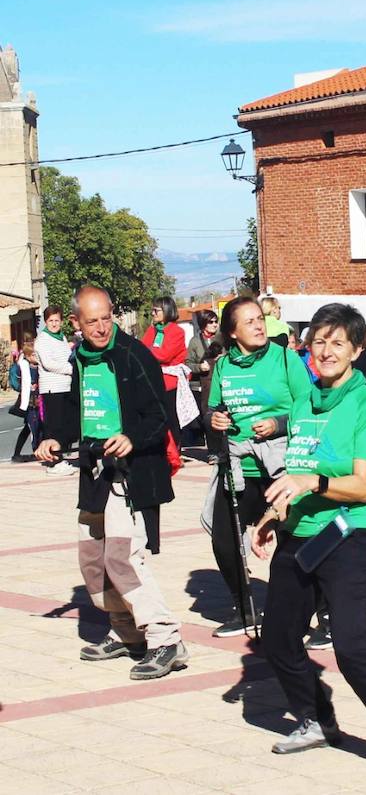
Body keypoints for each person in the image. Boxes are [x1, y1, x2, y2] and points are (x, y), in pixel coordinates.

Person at [250, 303, 366, 787]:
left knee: (351, 646)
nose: (326, 351)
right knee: (278, 638)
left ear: (355, 350)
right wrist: (271, 517)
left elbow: (363, 485)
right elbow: (296, 473)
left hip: (350, 532)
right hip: (302, 531)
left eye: (337, 343)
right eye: (319, 342)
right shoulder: (305, 402)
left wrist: (311, 484)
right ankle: (316, 719)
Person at [35, 286, 185, 680]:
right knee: (92, 558)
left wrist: (132, 438)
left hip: (131, 474)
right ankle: (126, 632)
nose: (102, 328)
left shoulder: (135, 355)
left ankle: (166, 639)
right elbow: (73, 409)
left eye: (107, 318)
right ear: (75, 324)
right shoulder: (79, 359)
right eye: (92, 321)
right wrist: (52, 436)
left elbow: (159, 416)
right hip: (94, 472)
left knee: (122, 557)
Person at [205, 295, 314, 636]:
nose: (258, 325)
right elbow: (212, 410)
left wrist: (279, 424)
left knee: (293, 541)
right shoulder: (223, 366)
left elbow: (308, 406)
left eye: (259, 319)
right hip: (239, 469)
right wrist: (217, 419)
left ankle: (315, 612)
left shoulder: (285, 359)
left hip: (281, 467)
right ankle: (245, 608)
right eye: (249, 321)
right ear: (233, 332)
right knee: (224, 540)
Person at [141, 296, 189, 450]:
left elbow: (164, 355)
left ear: (167, 311)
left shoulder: (177, 331)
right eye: (152, 310)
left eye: (157, 310)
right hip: (153, 381)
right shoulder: (151, 330)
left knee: (171, 418)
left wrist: (150, 352)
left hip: (170, 382)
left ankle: (175, 451)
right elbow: (142, 349)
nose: (153, 313)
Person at [36, 304, 78, 471]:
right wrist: (71, 370)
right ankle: (54, 462)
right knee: (53, 426)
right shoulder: (43, 340)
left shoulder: (61, 338)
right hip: (52, 388)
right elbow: (49, 364)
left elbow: (67, 357)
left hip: (65, 387)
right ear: (46, 322)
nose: (54, 324)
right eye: (50, 320)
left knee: (64, 424)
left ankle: (62, 456)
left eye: (57, 320)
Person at [186, 310, 221, 445]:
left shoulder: (221, 339)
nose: (214, 325)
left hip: (219, 383)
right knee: (207, 417)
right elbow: (187, 363)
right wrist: (200, 367)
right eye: (210, 322)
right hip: (203, 386)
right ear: (203, 324)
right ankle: (212, 450)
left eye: (216, 321)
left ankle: (222, 450)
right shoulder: (195, 342)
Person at [8, 337, 40, 461]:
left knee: (30, 428)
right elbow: (17, 383)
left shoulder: (39, 366)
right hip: (29, 403)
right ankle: (36, 451)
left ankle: (17, 453)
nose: (36, 357)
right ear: (27, 356)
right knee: (32, 427)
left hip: (39, 402)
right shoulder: (23, 367)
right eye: (33, 355)